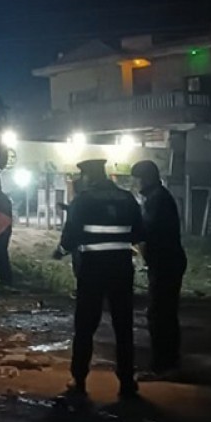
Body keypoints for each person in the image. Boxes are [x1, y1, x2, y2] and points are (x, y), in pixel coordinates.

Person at [53, 159, 144, 399]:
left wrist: (60, 251)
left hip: (92, 269)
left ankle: (79, 378)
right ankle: (127, 381)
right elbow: (138, 233)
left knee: (85, 325)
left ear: (88, 177)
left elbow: (71, 235)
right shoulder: (127, 198)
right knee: (123, 326)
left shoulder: (82, 200)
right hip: (121, 268)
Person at [132, 159, 187, 379]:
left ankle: (162, 366)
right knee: (165, 313)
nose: (136, 184)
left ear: (146, 178)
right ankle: (169, 363)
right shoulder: (158, 197)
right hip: (167, 261)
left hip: (166, 263)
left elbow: (148, 229)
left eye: (137, 179)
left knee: (160, 315)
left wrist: (132, 230)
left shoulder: (157, 200)